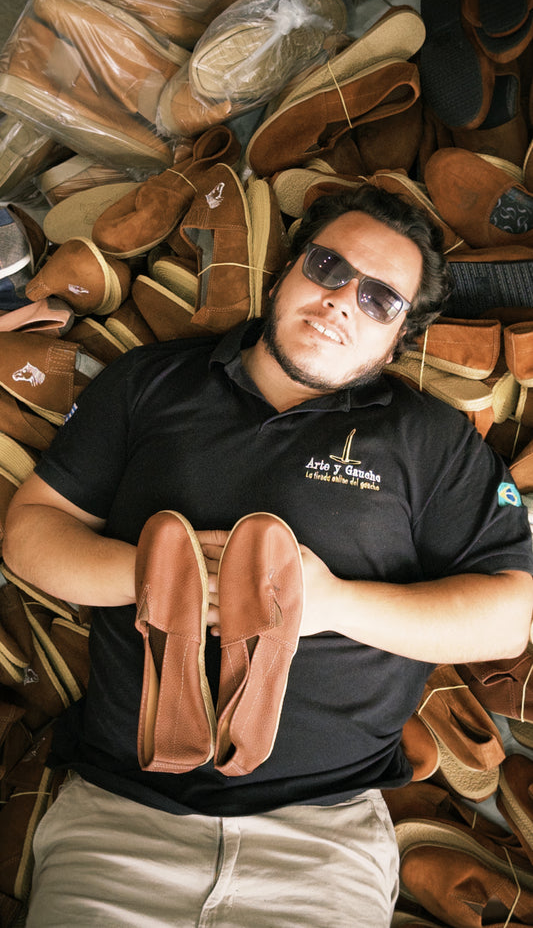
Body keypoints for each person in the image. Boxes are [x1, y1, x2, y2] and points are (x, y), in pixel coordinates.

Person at [4, 184, 533, 928]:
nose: (342, 300)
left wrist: (328, 603)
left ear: (398, 340)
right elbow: (32, 530)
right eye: (328, 267)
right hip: (120, 819)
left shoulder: (432, 439)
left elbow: (507, 618)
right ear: (285, 271)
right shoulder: (150, 381)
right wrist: (154, 578)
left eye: (379, 299)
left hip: (321, 837)